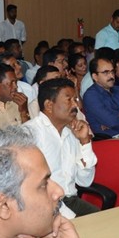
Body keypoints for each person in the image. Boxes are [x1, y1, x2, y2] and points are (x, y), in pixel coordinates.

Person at [25, 78, 98, 216]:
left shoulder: (71, 132)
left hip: (70, 200)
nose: (75, 105)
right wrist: (71, 217)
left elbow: (85, 181)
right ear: (49, 105)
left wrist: (85, 141)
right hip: (44, 206)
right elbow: (30, 188)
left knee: (107, 222)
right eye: (68, 100)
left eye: (75, 99)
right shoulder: (30, 134)